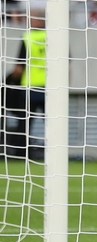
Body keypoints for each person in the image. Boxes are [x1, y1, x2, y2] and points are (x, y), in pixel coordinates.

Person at [5, 11, 47, 160]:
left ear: (39, 21)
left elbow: (19, 67)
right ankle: (55, 151)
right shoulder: (54, 37)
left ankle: (21, 152)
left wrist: (9, 81)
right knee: (52, 122)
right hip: (51, 88)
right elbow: (67, 66)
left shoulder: (28, 38)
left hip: (30, 86)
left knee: (25, 122)